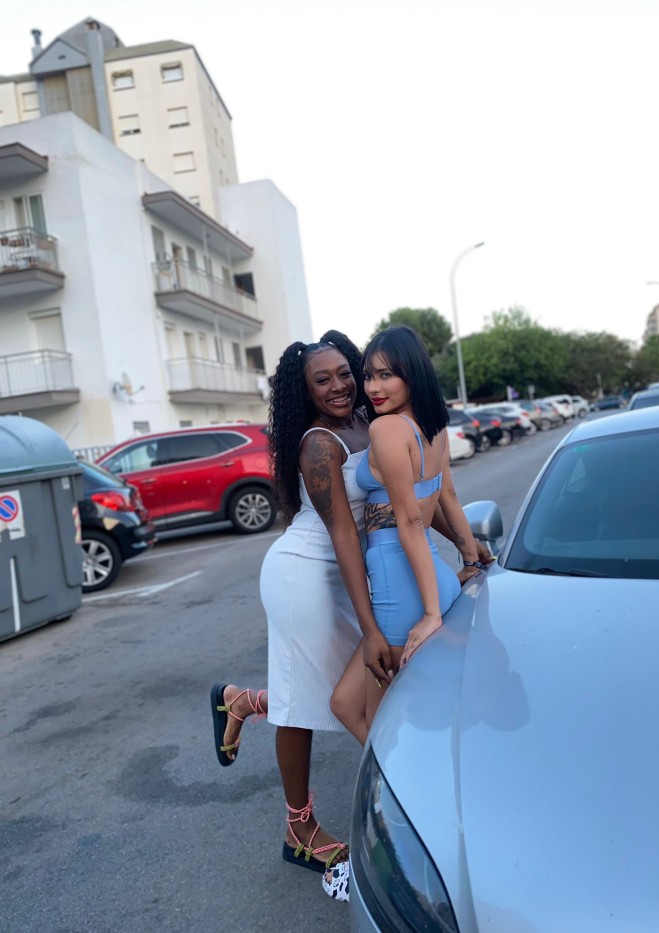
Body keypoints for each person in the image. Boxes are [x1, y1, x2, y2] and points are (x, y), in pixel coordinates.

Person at [210, 330, 379, 886]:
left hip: (340, 573)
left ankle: (242, 702)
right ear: (305, 392)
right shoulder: (318, 445)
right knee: (304, 705)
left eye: (344, 373)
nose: (338, 386)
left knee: (328, 687)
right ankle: (298, 830)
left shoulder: (365, 419)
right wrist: (370, 619)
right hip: (304, 575)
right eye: (322, 380)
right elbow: (343, 533)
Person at [332, 325, 491, 732]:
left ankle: (404, 779)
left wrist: (431, 613)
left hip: (399, 587)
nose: (372, 387)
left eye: (386, 375)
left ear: (412, 373)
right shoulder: (434, 427)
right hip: (430, 578)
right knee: (344, 704)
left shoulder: (387, 429)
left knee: (387, 726)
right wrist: (470, 559)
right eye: (369, 375)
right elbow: (447, 497)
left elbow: (411, 520)